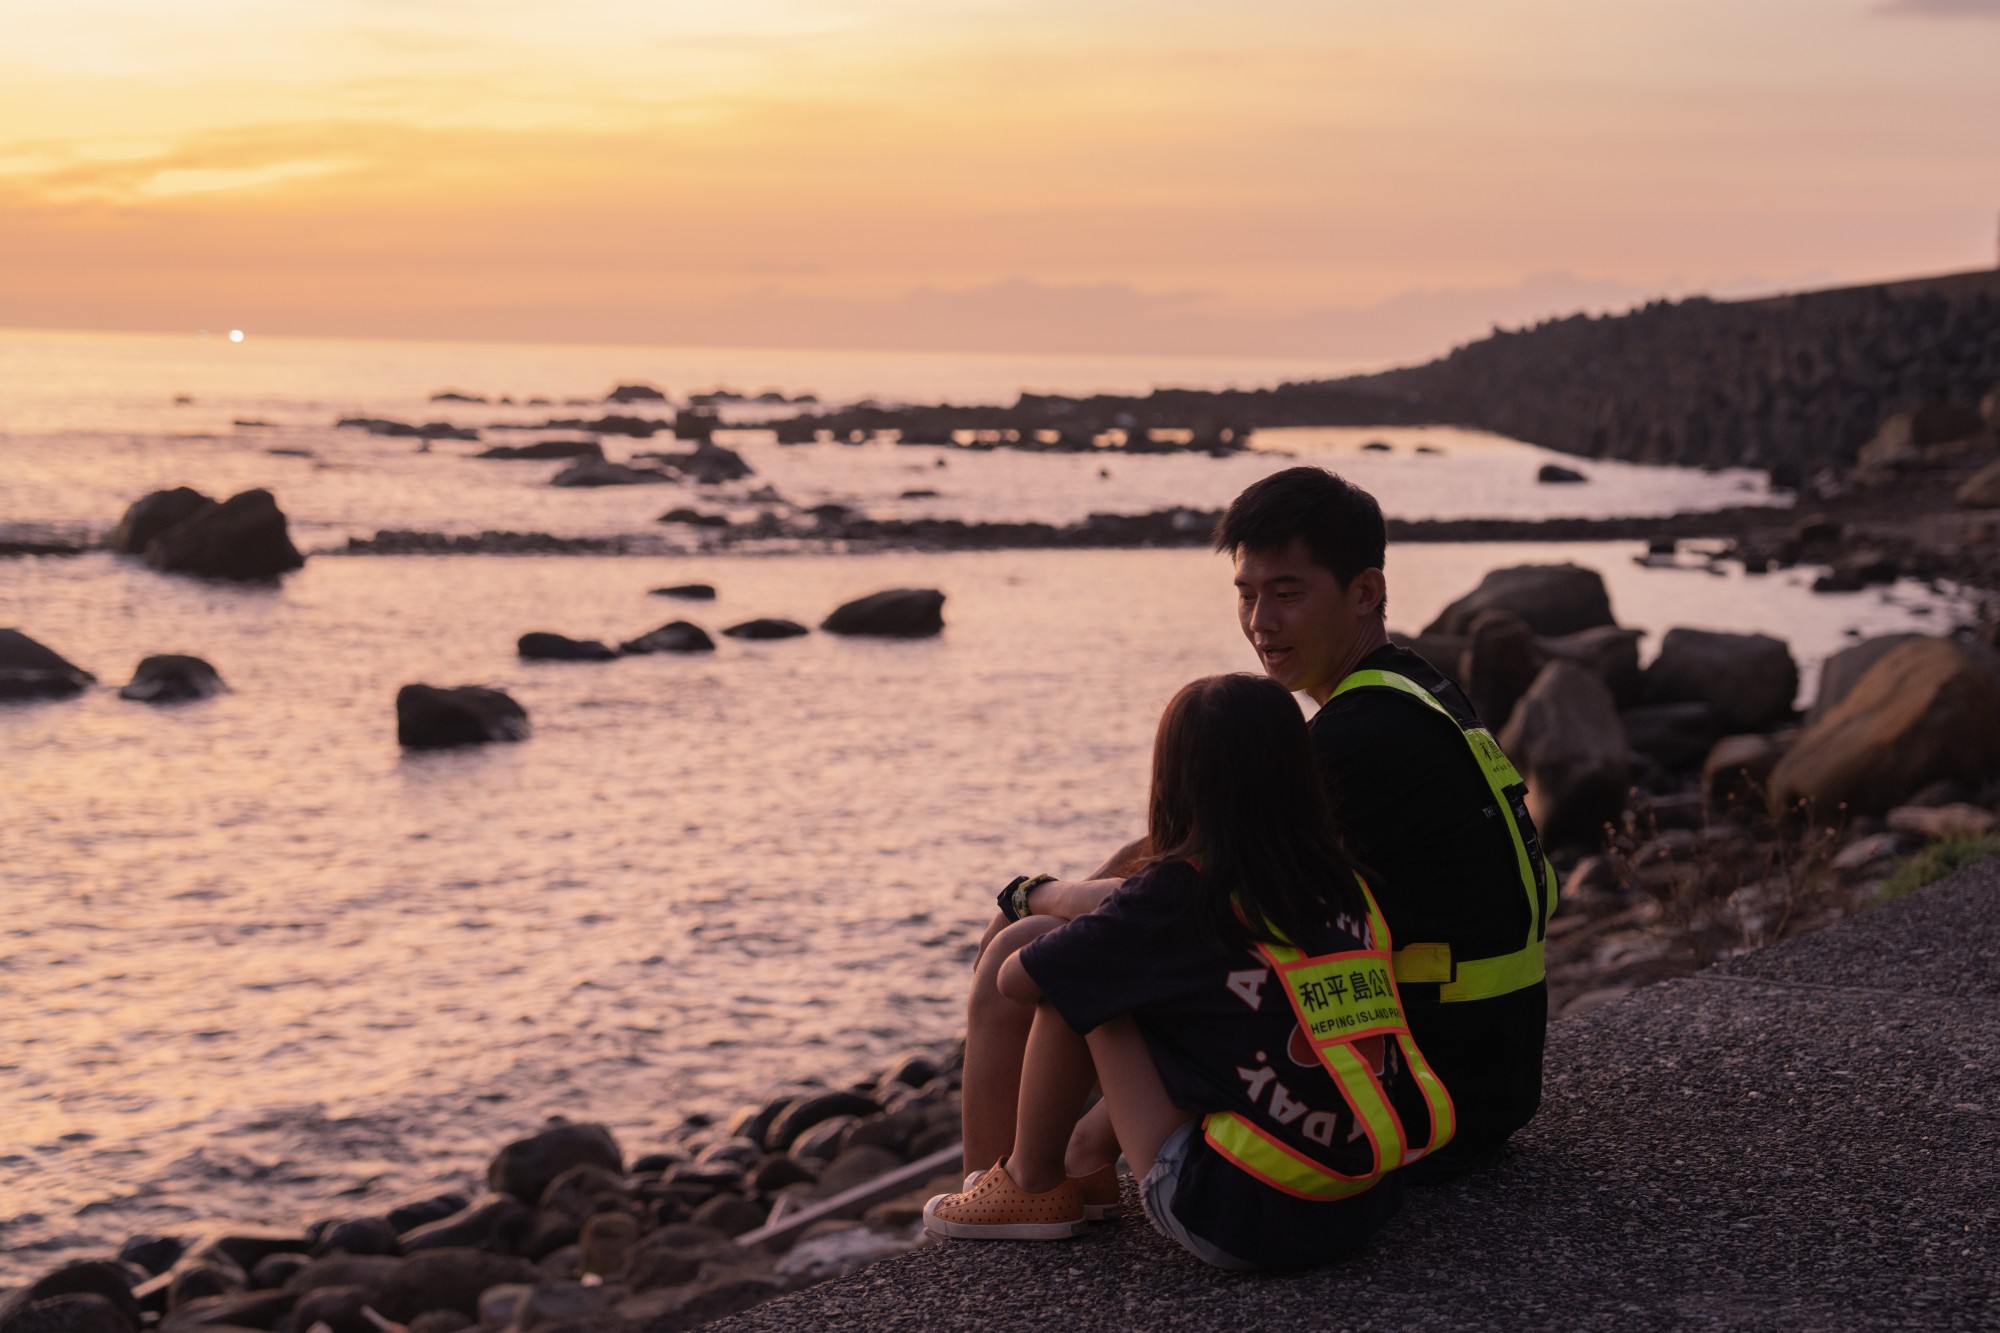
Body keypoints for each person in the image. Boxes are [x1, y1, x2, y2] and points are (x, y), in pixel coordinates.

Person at [925, 674, 1454, 1269]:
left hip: (1232, 1216)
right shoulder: (1338, 882)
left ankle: (1031, 1182)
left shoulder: (1177, 897)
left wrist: (1061, 902)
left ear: (1172, 783)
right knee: (1126, 971)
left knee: (1078, 974)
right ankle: (1086, 1163)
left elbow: (1017, 981)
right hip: (1360, 1196)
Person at [1218, 466, 1553, 1176]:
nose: (1260, 622)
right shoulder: (1417, 686)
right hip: (1494, 1064)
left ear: (1365, 592)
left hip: (1438, 1091)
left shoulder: (1356, 737)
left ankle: (1047, 1176)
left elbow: (1204, 866)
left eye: (1286, 594)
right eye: (1246, 595)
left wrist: (1047, 894)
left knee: (1083, 942)